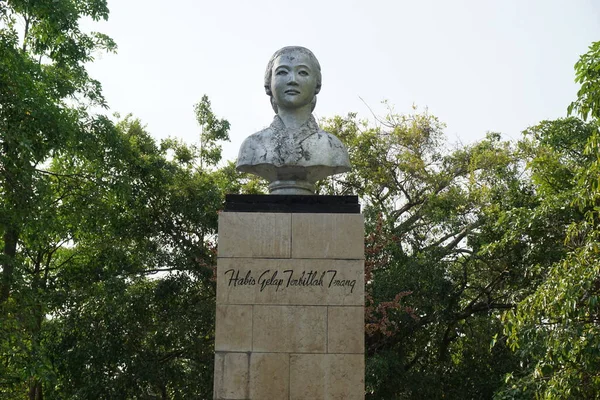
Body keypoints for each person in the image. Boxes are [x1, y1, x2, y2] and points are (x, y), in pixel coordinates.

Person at [236, 46, 351, 195]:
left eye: (302, 72)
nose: (292, 80)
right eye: (282, 72)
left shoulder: (333, 148)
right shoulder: (252, 147)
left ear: (317, 84)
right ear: (268, 83)